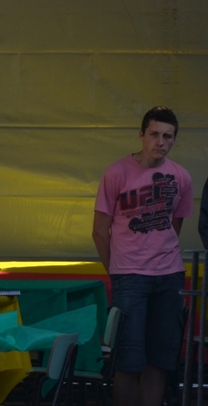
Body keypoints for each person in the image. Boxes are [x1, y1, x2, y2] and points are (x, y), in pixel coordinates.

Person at [92, 106, 192, 406]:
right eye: (154, 134)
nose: (161, 142)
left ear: (174, 140)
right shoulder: (116, 172)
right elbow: (99, 230)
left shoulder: (181, 177)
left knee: (159, 362)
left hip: (169, 275)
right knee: (128, 361)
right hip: (130, 276)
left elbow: (174, 226)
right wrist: (117, 271)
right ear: (141, 135)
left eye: (168, 136)